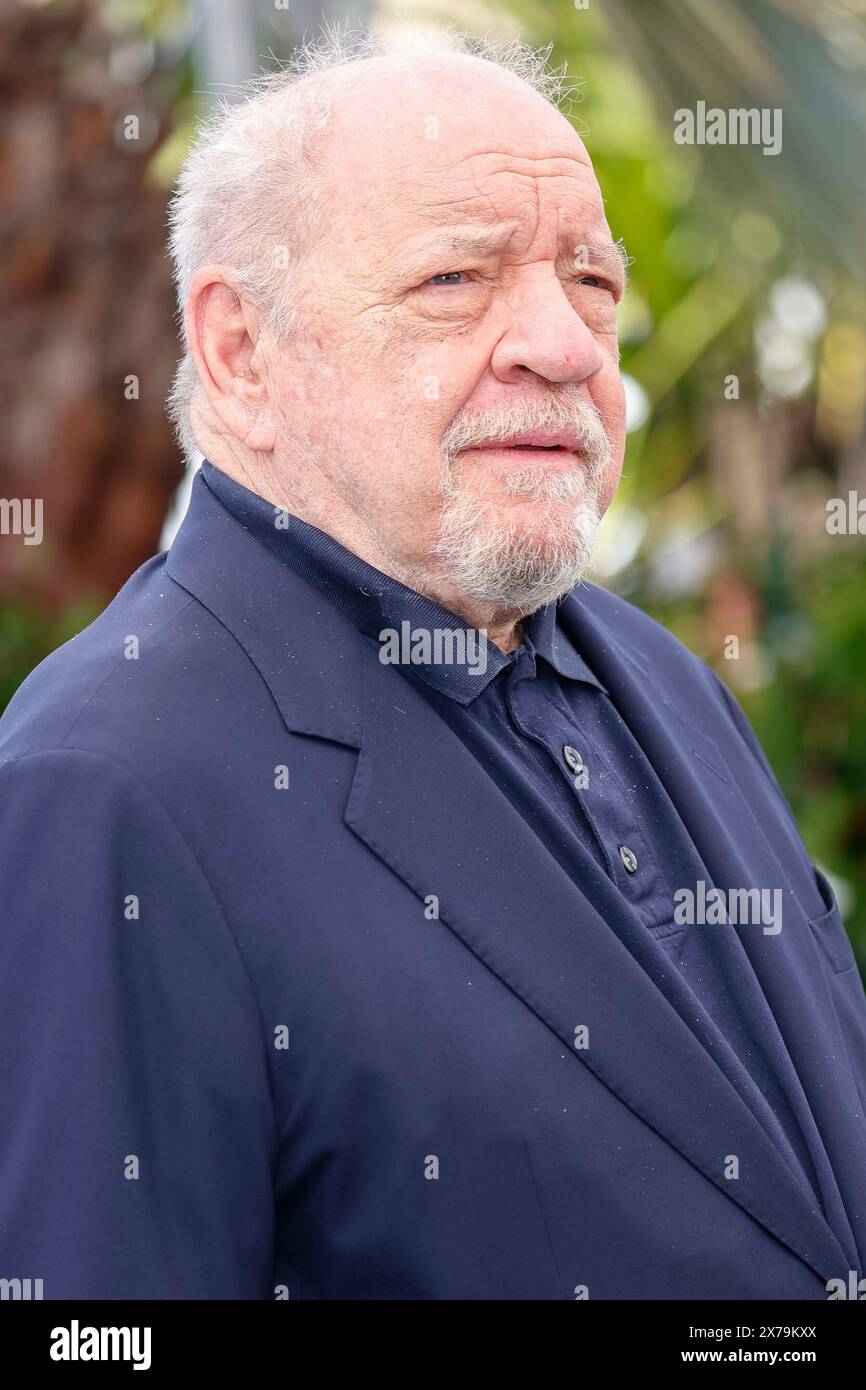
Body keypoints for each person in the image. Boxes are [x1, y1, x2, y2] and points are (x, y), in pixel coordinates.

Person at [1, 27, 864, 1300]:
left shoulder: (659, 676)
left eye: (589, 282)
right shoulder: (106, 785)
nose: (564, 347)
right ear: (241, 354)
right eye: (457, 278)